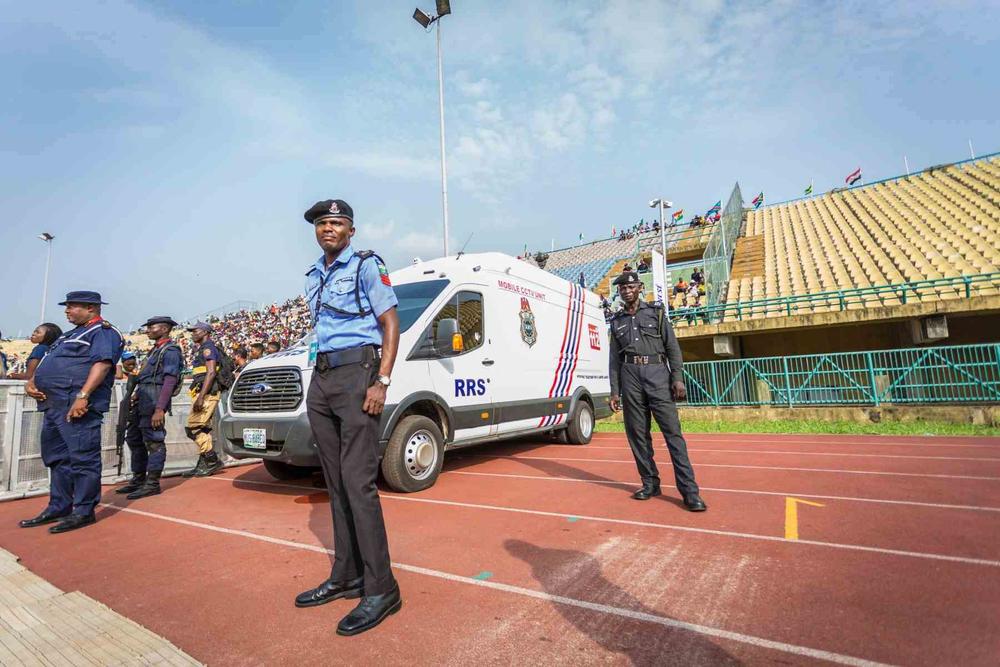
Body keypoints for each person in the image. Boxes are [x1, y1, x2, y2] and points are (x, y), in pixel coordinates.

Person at [296, 198, 402, 636]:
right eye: (322, 223)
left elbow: (391, 323)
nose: (328, 229)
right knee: (335, 483)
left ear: (351, 230)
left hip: (359, 375)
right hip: (323, 378)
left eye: (337, 223)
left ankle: (382, 588)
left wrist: (382, 381)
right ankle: (346, 575)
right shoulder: (314, 275)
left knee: (359, 485)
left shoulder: (364, 266)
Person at [21, 291, 124, 533]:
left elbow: (103, 364)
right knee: (57, 458)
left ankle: (83, 510)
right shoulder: (69, 335)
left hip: (77, 406)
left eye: (71, 306)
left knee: (83, 459)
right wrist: (32, 381)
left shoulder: (103, 332)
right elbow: (50, 361)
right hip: (52, 405)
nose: (66, 311)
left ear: (91, 308)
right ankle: (59, 505)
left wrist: (83, 395)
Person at [607, 272, 706, 512]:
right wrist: (615, 391)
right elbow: (614, 360)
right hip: (630, 377)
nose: (627, 290)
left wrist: (678, 378)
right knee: (638, 436)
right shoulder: (617, 320)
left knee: (673, 435)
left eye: (631, 286)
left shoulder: (656, 313)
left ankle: (690, 492)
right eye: (622, 288)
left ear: (640, 288)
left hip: (658, 375)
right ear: (619, 292)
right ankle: (650, 483)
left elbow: (672, 348)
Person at [115, 317, 183, 499]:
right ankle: (138, 479)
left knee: (154, 441)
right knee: (134, 439)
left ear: (165, 328)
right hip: (142, 401)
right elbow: (146, 377)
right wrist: (136, 395)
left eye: (152, 327)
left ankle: (152, 483)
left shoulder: (170, 351)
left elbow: (170, 380)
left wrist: (160, 409)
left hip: (154, 402)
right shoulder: (155, 350)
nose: (148, 330)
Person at [182, 322, 224, 477]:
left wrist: (201, 397)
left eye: (195, 331)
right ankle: (203, 464)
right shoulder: (202, 349)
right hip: (202, 393)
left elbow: (211, 373)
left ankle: (212, 460)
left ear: (205, 332)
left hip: (207, 395)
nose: (192, 333)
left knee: (194, 427)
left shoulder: (208, 348)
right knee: (202, 428)